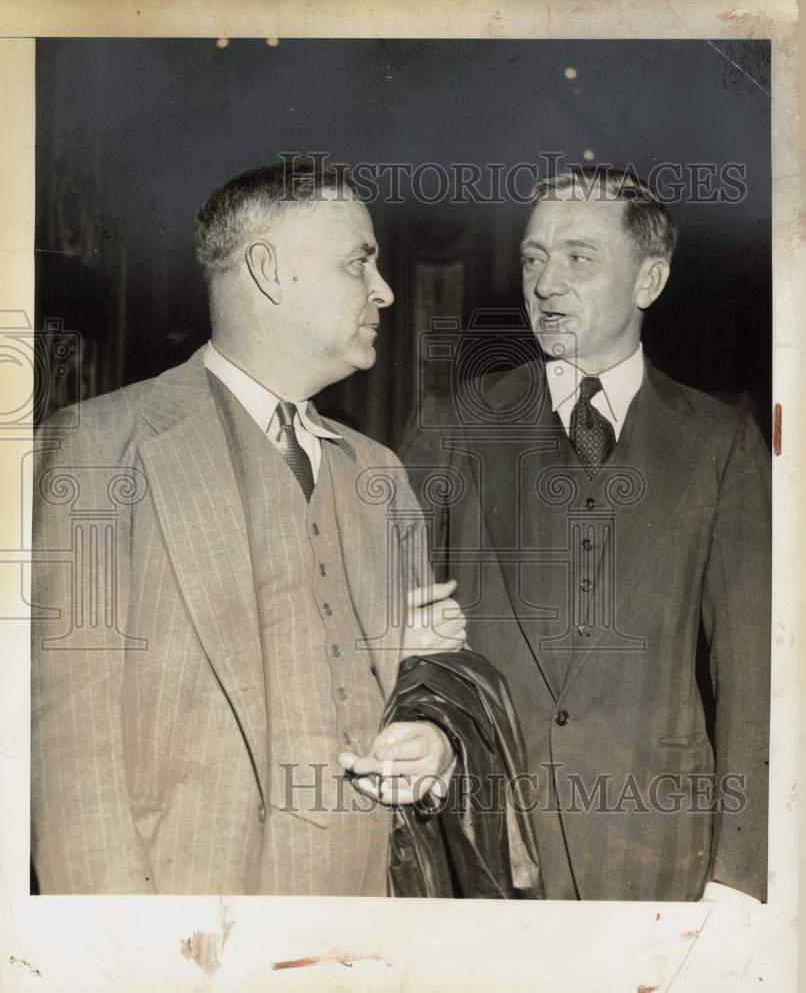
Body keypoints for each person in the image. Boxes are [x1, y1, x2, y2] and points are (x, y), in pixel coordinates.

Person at [31, 160, 466, 895]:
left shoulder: (380, 472)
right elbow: (69, 744)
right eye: (360, 261)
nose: (385, 290)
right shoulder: (103, 445)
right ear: (268, 270)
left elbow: (429, 685)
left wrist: (437, 743)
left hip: (366, 928)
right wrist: (115, 951)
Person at [400, 167, 770, 902]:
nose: (545, 283)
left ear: (650, 279)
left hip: (660, 859)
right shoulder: (453, 426)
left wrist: (741, 875)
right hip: (485, 856)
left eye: (578, 257)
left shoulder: (722, 444)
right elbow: (392, 643)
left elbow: (758, 677)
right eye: (534, 258)